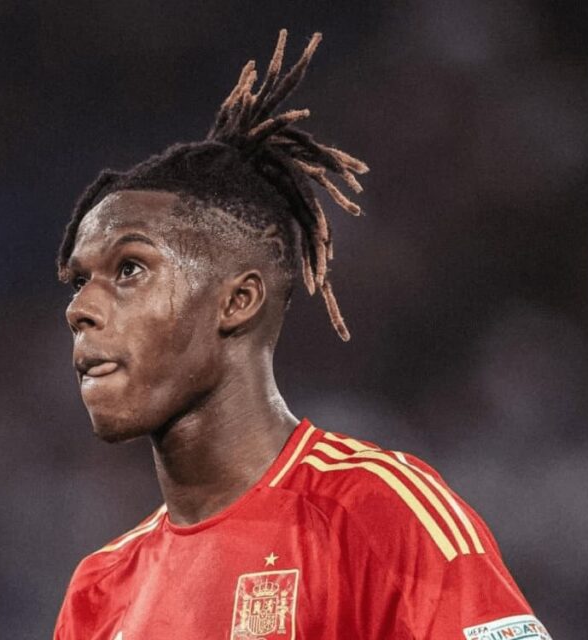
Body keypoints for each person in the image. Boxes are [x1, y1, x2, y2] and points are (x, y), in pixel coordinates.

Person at [53, 29, 550, 640]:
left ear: (237, 301)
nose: (81, 309)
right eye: (80, 281)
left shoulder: (379, 512)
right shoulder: (100, 591)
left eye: (130, 269)